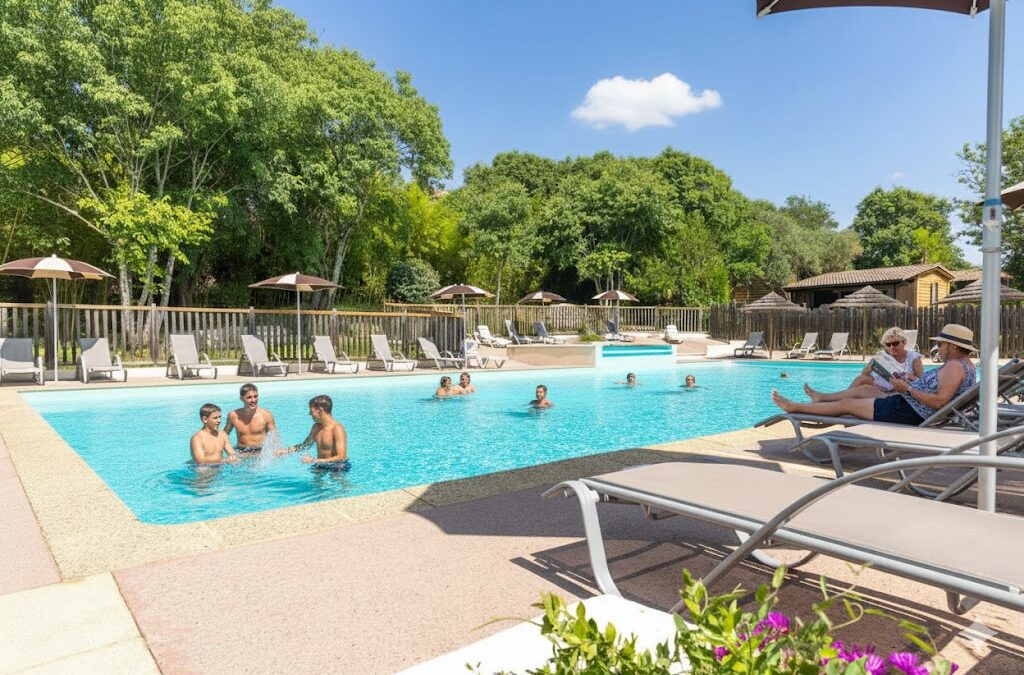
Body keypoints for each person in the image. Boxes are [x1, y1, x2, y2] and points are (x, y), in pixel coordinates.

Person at [772, 324, 977, 426]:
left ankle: (796, 407)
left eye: (940, 344)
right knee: (861, 391)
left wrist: (907, 388)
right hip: (907, 405)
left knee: (847, 406)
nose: (938, 348)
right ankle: (820, 400)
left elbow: (940, 401)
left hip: (906, 410)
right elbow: (939, 392)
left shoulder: (954, 366)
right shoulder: (964, 365)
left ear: (952, 345)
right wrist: (913, 380)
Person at [803, 327, 924, 402]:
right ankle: (840, 400)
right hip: (881, 387)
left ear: (904, 342)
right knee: (862, 378)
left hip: (896, 392)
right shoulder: (883, 355)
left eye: (895, 343)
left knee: (863, 390)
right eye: (888, 345)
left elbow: (923, 382)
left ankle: (828, 399)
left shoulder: (913, 357)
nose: (891, 347)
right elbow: (864, 374)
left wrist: (908, 377)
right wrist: (871, 365)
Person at [279, 395, 349, 468]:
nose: (309, 414)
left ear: (320, 410)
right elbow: (305, 445)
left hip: (338, 465)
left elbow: (341, 456)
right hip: (320, 464)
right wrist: (286, 451)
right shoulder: (316, 427)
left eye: (311, 411)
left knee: (337, 478)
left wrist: (313, 461)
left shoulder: (337, 429)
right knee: (315, 479)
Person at [222, 383, 278, 453]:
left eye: (255, 396)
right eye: (249, 397)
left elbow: (274, 436)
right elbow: (224, 435)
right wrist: (229, 452)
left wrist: (275, 449)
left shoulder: (266, 415)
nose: (253, 400)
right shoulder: (233, 415)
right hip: (241, 451)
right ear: (242, 398)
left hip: (259, 452)